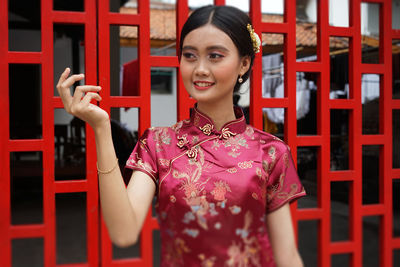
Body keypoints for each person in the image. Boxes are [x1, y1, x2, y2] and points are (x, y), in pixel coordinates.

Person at [56, 5, 306, 267]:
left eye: (215, 56)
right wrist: (101, 129)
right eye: (190, 55)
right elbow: (124, 232)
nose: (199, 68)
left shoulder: (270, 151)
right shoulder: (159, 144)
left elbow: (287, 256)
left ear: (244, 63)